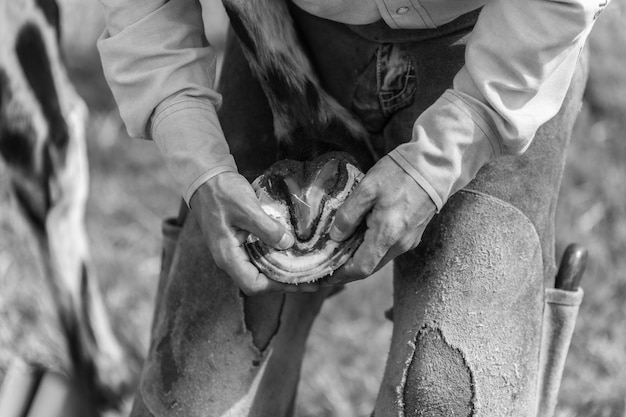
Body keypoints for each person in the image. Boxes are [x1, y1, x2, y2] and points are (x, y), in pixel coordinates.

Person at [97, 0, 606, 415]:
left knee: (445, 395)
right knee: (190, 392)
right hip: (283, 41)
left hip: (496, 48)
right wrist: (199, 160)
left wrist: (459, 139)